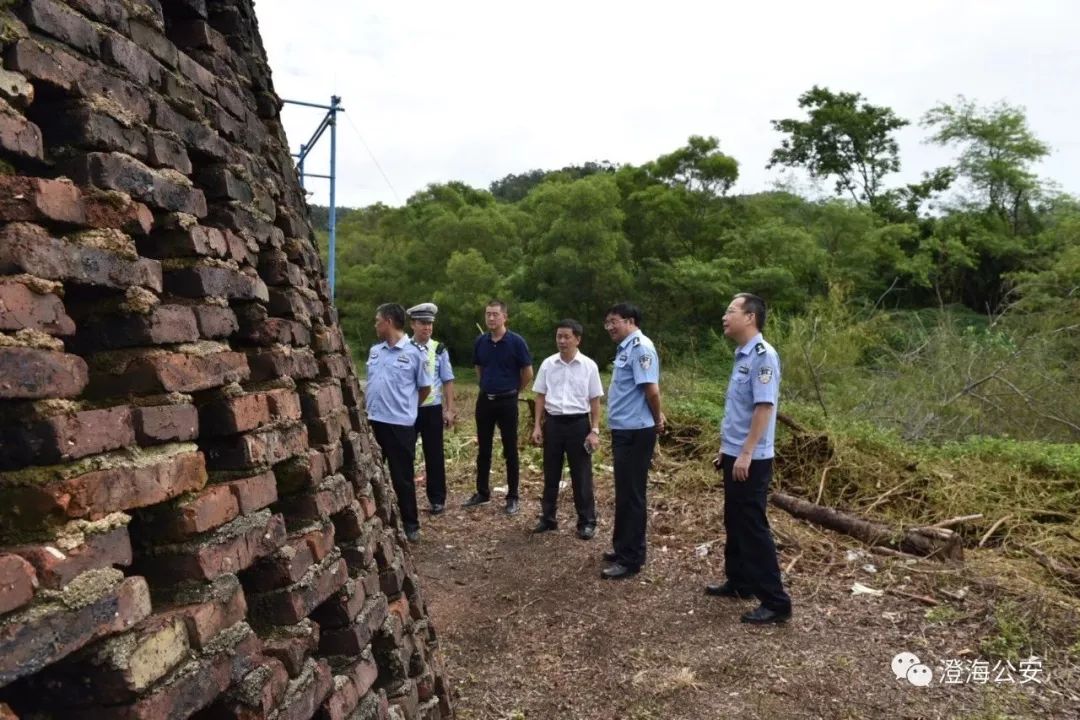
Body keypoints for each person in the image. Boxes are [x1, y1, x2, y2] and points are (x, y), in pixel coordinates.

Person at [705, 293, 792, 624]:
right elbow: (739, 410)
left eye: (731, 311)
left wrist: (745, 453)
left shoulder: (762, 356)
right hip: (735, 452)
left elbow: (764, 408)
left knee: (753, 525)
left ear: (750, 317)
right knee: (734, 519)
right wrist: (727, 449)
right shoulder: (742, 355)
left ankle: (776, 601)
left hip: (751, 458)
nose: (725, 316)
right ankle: (739, 581)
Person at [600, 302, 665, 579]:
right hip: (624, 429)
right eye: (607, 322)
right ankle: (622, 546)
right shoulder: (626, 348)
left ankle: (632, 559)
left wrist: (658, 417)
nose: (610, 327)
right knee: (624, 492)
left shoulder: (641, 347)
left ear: (630, 321)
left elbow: (651, 390)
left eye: (614, 321)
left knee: (633, 494)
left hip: (636, 431)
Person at [365, 303, 433, 542]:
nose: (375, 325)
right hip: (373, 422)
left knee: (402, 476)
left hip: (399, 425)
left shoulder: (415, 353)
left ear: (389, 322)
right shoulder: (376, 351)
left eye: (377, 320)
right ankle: (375, 519)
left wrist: (406, 408)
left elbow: (424, 388)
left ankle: (410, 524)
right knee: (370, 475)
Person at [530, 319, 603, 539]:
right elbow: (540, 396)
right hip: (553, 423)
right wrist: (537, 426)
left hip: (578, 424)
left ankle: (587, 521)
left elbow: (595, 400)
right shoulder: (548, 364)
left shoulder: (589, 366)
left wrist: (595, 430)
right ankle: (548, 518)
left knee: (581, 475)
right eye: (558, 337)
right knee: (551, 472)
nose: (561, 341)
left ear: (577, 339)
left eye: (566, 337)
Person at [464, 300, 533, 515]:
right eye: (488, 314)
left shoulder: (516, 342)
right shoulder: (481, 342)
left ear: (504, 317)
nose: (491, 318)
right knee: (484, 448)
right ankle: (482, 492)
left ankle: (512, 496)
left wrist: (515, 391)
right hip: (485, 400)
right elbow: (479, 367)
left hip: (507, 401)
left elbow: (528, 372)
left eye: (495, 314)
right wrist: (485, 385)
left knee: (510, 449)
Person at [407, 302, 456, 515]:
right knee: (405, 454)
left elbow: (447, 380)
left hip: (432, 408)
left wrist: (449, 409)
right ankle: (405, 499)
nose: (426, 328)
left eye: (429, 324)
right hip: (408, 409)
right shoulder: (404, 348)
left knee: (434, 454)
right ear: (412, 325)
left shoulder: (439, 349)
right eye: (422, 323)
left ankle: (437, 499)